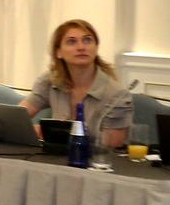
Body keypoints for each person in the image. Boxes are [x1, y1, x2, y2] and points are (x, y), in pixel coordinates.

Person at [21, 18, 132, 148]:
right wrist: (30, 131)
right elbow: (15, 118)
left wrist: (51, 134)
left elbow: (111, 146)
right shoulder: (49, 81)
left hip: (95, 159)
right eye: (72, 42)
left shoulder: (117, 95)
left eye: (87, 40)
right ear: (58, 52)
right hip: (57, 156)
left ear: (96, 47)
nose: (81, 47)